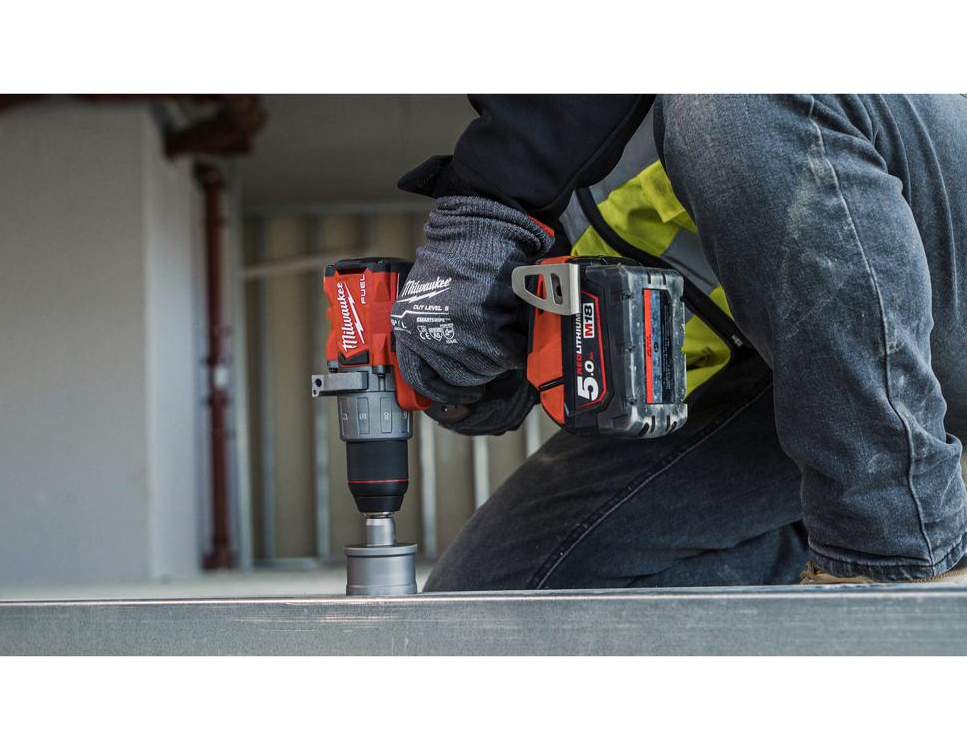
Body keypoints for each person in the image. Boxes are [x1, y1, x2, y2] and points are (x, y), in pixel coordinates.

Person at [391, 95, 967, 590]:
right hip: (809, 382)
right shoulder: (539, 186)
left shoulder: (513, 170)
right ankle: (835, 545)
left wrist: (490, 200)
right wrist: (489, 362)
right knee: (496, 599)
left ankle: (896, 557)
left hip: (937, 245)